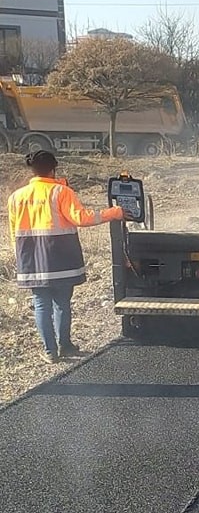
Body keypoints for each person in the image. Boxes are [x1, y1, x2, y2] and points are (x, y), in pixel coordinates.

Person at [8, 150, 128, 364]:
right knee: (62, 302)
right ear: (53, 169)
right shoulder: (61, 192)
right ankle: (66, 345)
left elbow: (13, 231)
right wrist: (114, 213)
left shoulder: (16, 197)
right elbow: (81, 218)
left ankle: (49, 351)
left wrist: (21, 259)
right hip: (61, 255)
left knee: (41, 303)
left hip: (31, 257)